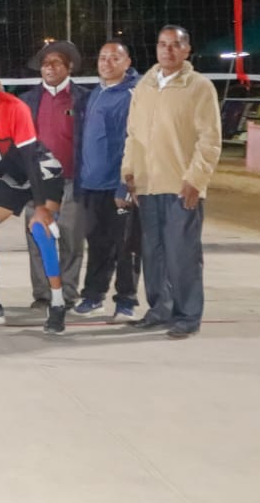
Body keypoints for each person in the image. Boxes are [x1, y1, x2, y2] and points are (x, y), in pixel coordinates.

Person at [122, 26, 221, 339]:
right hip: (147, 185)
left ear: (187, 50)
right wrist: (130, 171)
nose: (167, 50)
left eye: (175, 45)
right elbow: (134, 135)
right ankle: (159, 309)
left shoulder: (200, 87)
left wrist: (196, 178)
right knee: (153, 253)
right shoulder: (144, 87)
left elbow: (210, 139)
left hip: (182, 186)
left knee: (183, 254)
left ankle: (187, 316)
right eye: (162, 44)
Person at [0, 61, 68, 334]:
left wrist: (40, 207)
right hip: (11, 180)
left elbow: (29, 158)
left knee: (40, 230)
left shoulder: (15, 108)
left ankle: (57, 303)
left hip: (42, 173)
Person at [74, 42, 142, 321]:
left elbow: (136, 142)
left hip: (119, 187)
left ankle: (126, 300)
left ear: (127, 62)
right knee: (98, 244)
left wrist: (125, 185)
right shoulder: (95, 94)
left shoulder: (134, 95)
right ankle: (93, 296)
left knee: (127, 245)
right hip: (92, 185)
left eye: (115, 58)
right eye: (103, 57)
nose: (107, 62)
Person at [20, 40, 88, 308]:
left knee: (71, 238)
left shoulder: (84, 98)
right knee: (38, 238)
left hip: (73, 179)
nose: (49, 67)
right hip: (37, 183)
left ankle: (68, 293)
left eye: (55, 62)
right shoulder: (27, 101)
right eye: (45, 63)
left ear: (69, 67)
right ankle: (43, 294)